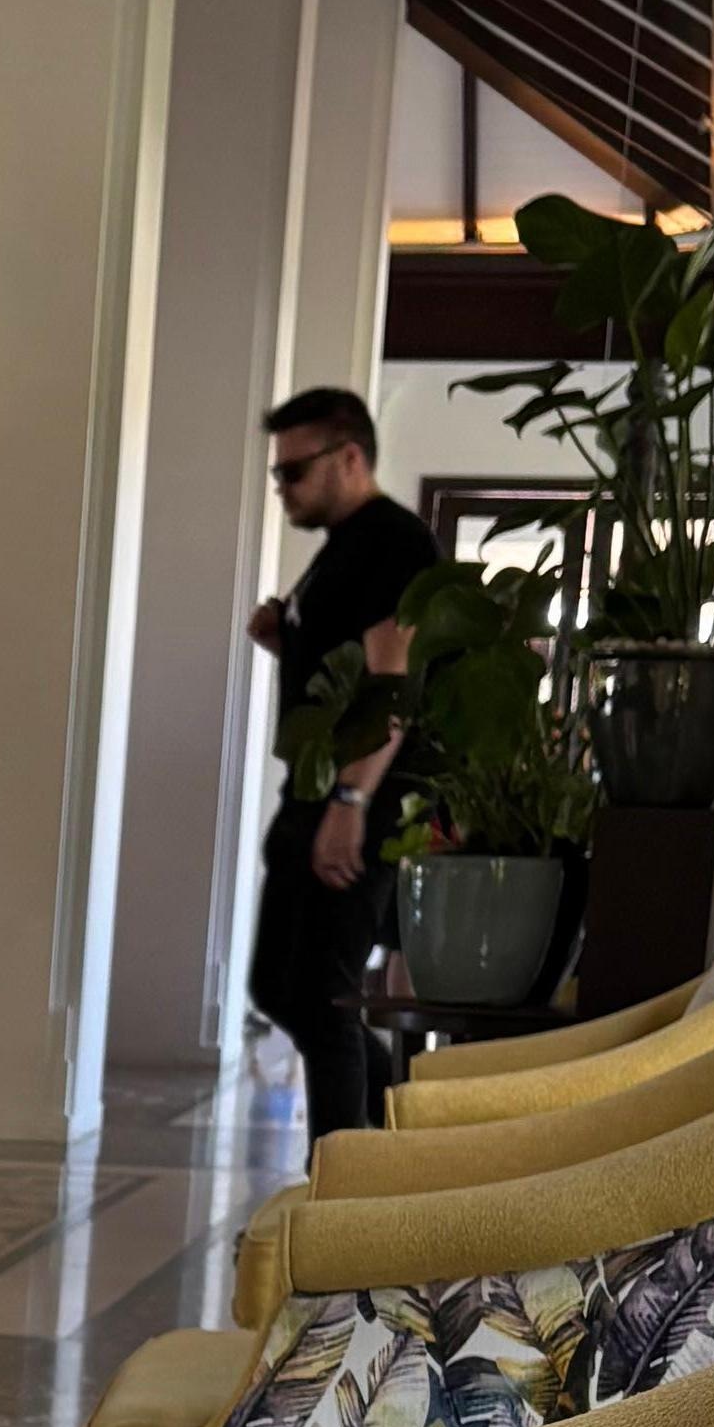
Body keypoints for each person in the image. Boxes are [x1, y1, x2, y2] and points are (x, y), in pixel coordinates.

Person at [244, 388, 433, 1146]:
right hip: (314, 795)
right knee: (277, 987)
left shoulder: (394, 542)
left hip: (357, 802)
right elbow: (347, 664)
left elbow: (393, 683)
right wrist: (285, 638)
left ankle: (333, 1194)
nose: (283, 488)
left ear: (349, 457)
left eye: (293, 471)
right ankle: (412, 1116)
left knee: (326, 1000)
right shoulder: (343, 546)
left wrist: (352, 801)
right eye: (278, 473)